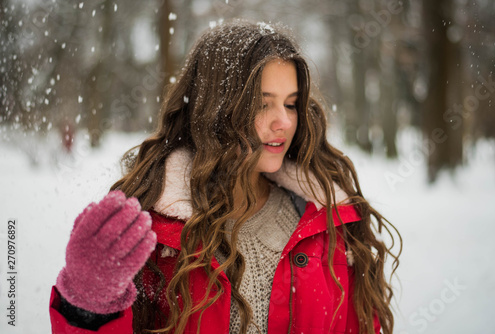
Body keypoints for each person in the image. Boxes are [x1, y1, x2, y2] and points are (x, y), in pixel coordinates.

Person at [49, 19, 401, 334]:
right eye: (263, 104)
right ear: (215, 107)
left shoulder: (326, 221)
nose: (285, 121)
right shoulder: (154, 234)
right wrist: (86, 307)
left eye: (291, 103)